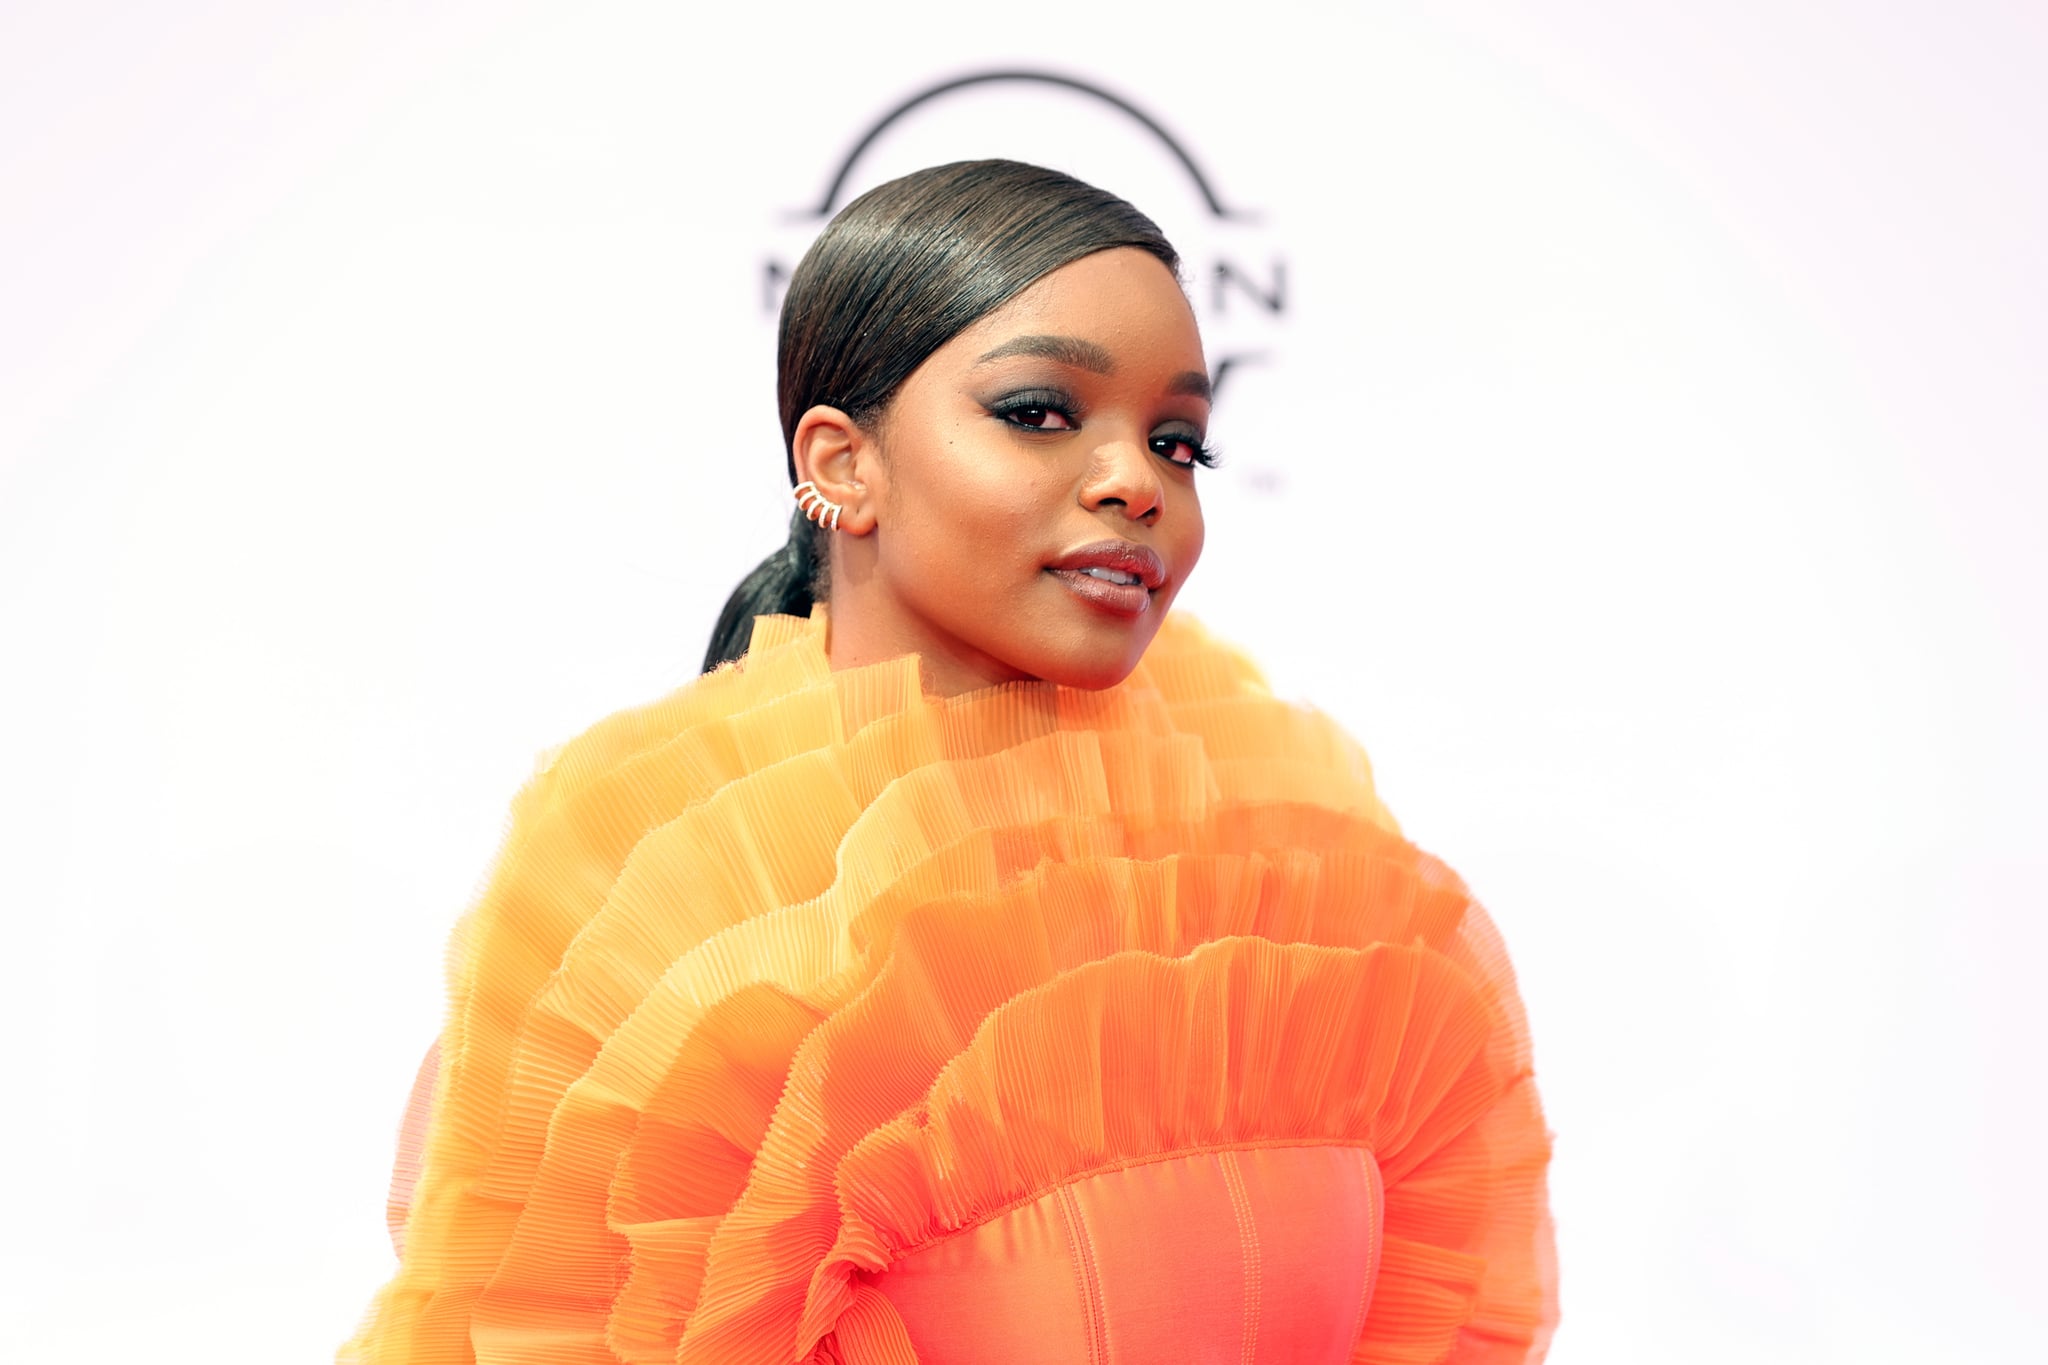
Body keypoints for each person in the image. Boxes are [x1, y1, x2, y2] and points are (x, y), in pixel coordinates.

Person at [342, 159, 1558, 1365]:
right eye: (1038, 412)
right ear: (839, 464)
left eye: (1180, 442)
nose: (1135, 480)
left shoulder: (1306, 881)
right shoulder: (675, 918)